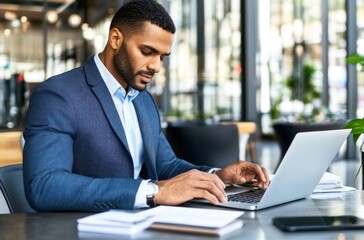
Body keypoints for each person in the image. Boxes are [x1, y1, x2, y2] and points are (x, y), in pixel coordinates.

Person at [23, 0, 269, 212]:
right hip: (84, 228)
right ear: (116, 39)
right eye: (147, 51)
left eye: (162, 57)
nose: (156, 66)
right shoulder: (59, 95)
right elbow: (45, 185)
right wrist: (152, 191)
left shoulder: (143, 99)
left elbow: (166, 166)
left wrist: (216, 176)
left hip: (143, 225)